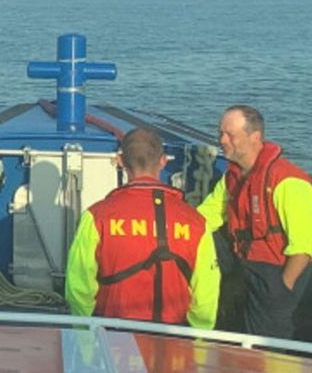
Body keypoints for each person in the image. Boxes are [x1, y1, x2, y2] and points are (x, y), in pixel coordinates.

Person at [65, 128, 219, 329]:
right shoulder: (196, 222)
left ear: (120, 161)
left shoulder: (96, 217)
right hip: (175, 342)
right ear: (163, 161)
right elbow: (206, 295)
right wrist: (197, 338)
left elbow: (78, 287)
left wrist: (84, 334)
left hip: (112, 339)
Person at [197, 105, 312, 338]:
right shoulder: (233, 177)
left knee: (268, 346)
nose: (222, 140)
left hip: (277, 271)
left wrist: (283, 288)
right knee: (204, 241)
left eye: (230, 135)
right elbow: (204, 218)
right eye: (220, 133)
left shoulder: (288, 182)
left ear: (255, 137)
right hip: (246, 264)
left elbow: (304, 247)